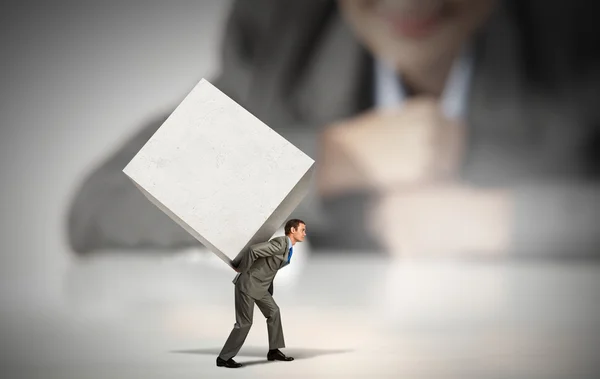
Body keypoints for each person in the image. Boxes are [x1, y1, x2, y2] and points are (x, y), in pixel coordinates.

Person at [67, 0, 600, 258]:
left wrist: (510, 221)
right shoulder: (284, 38)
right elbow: (103, 201)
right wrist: (333, 157)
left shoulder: (575, 31)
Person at [216, 219, 306, 368]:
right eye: (302, 229)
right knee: (244, 323)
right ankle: (223, 358)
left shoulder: (288, 247)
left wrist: (269, 287)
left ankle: (273, 351)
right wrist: (242, 269)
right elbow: (253, 250)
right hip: (248, 284)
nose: (305, 233)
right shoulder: (280, 244)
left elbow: (270, 266)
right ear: (292, 230)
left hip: (261, 287)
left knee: (274, 312)